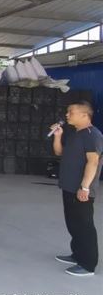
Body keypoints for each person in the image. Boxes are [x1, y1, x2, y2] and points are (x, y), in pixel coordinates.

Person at [52, 101, 102, 277]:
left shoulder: (92, 135)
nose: (67, 115)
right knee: (73, 224)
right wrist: (58, 136)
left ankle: (88, 264)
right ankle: (77, 254)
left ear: (84, 115)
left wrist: (85, 187)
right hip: (69, 186)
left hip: (81, 189)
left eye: (71, 112)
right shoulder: (75, 134)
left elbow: (93, 162)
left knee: (84, 225)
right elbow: (59, 152)